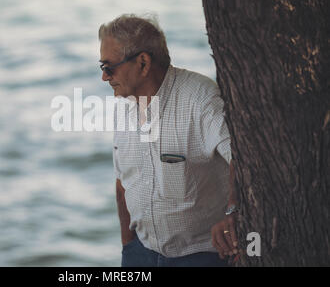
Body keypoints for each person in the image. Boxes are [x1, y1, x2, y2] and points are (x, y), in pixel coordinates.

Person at [98, 14, 239, 267]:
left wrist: (233, 213)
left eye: (109, 67)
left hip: (201, 256)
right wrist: (128, 247)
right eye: (102, 68)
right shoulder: (122, 106)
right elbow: (122, 185)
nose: (105, 77)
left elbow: (240, 158)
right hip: (140, 253)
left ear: (143, 63)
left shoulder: (200, 97)